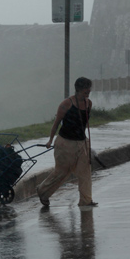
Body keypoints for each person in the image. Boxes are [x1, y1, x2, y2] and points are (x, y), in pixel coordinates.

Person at [36, 77, 98, 207]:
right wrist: (50, 140)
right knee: (62, 172)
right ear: (79, 89)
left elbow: (84, 123)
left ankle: (86, 201)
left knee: (85, 172)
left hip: (81, 142)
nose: (88, 92)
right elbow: (56, 123)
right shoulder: (66, 104)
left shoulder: (89, 104)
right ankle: (43, 191)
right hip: (65, 143)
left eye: (89, 89)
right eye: (86, 89)